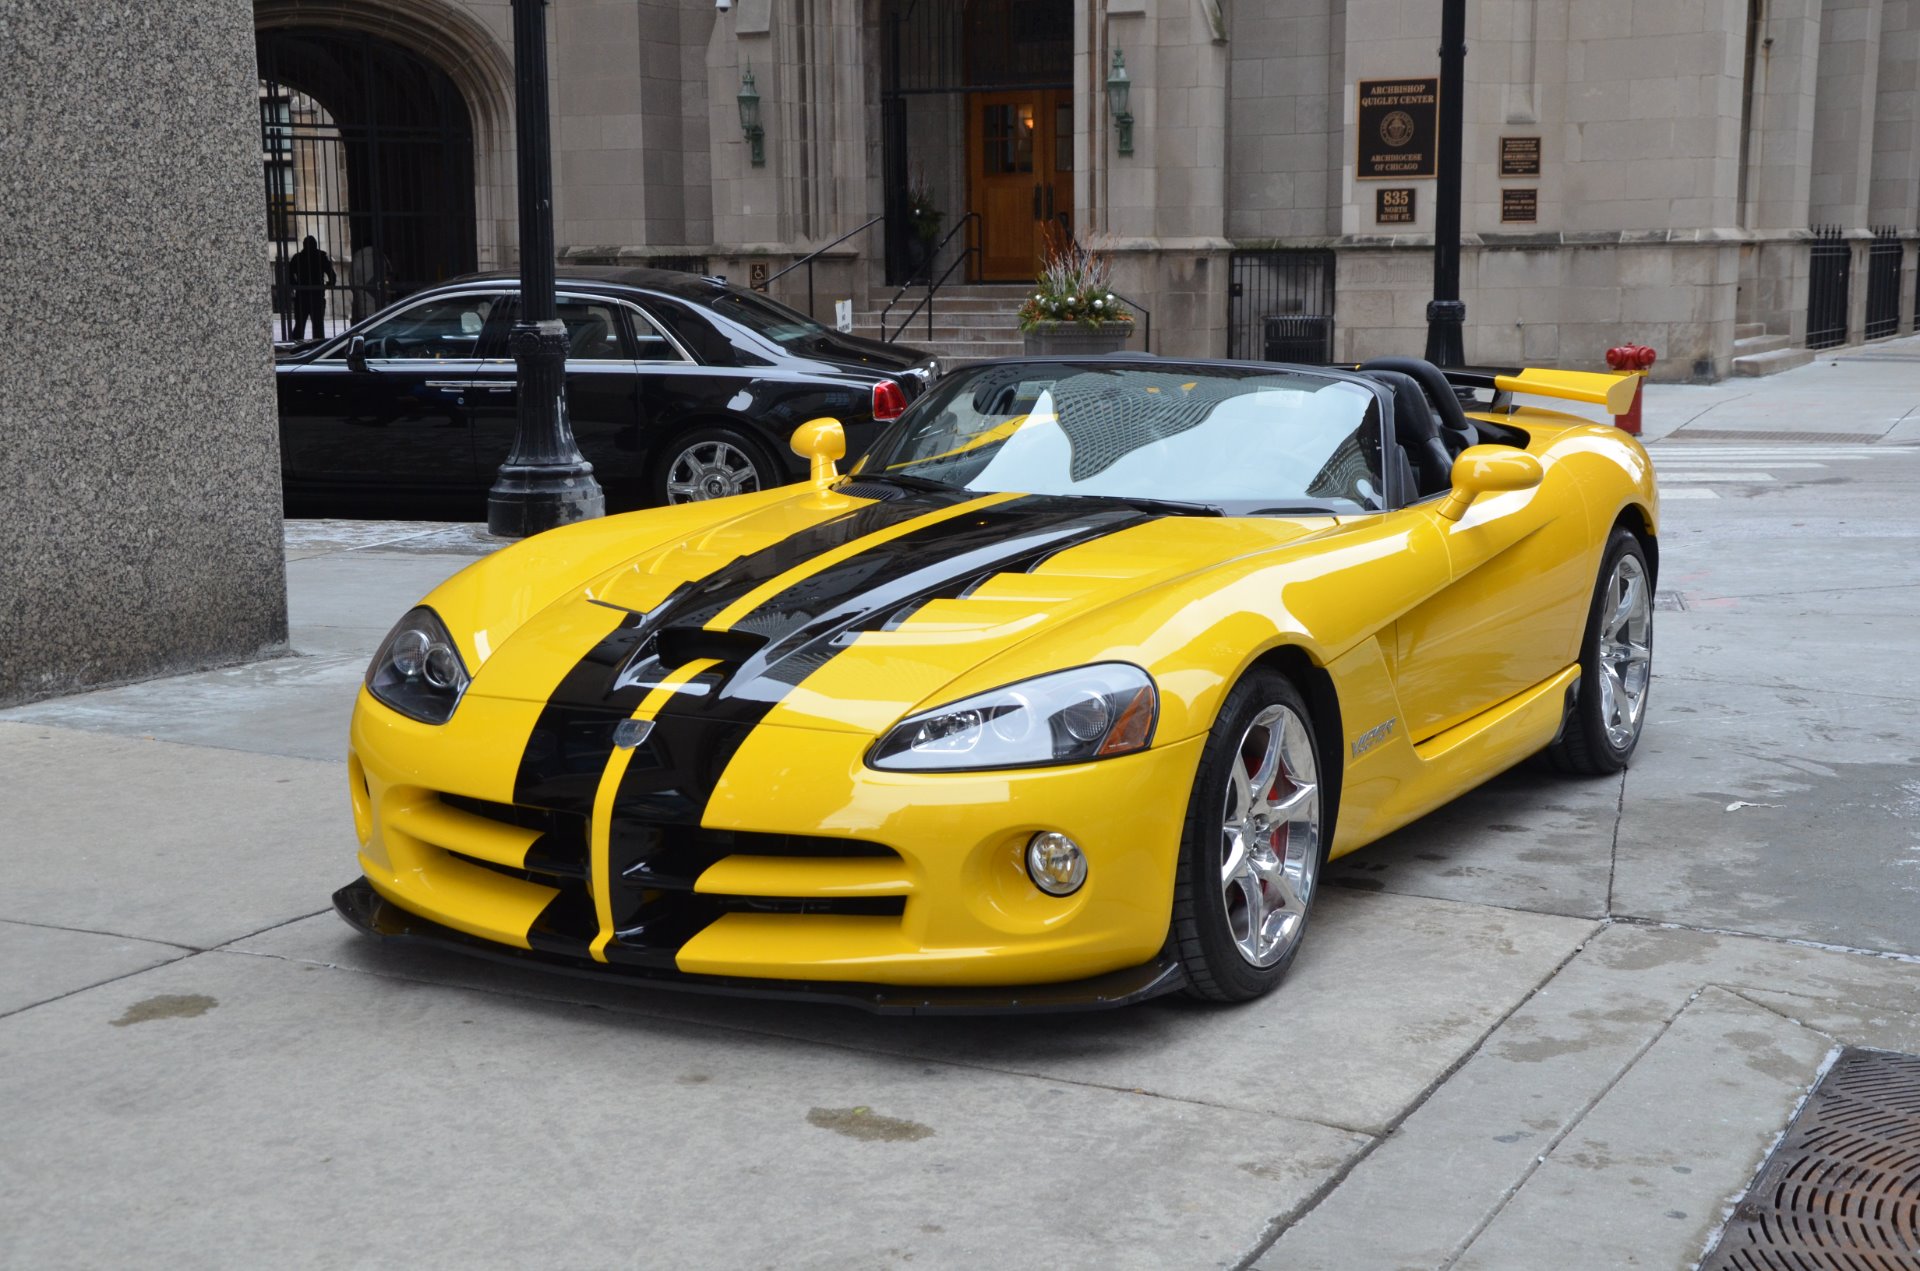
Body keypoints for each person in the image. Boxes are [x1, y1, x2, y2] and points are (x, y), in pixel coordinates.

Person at [288, 235, 335, 340]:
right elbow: (332, 274)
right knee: (318, 326)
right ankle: (318, 348)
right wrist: (329, 284)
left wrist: (295, 285)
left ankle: (295, 347)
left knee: (300, 326)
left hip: (302, 295)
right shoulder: (321, 256)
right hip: (316, 295)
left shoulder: (298, 257)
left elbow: (289, 274)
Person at [349, 242, 392, 323]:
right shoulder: (381, 256)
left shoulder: (358, 257)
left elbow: (353, 281)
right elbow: (389, 273)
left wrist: (357, 291)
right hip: (381, 297)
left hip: (364, 298)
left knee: (367, 323)